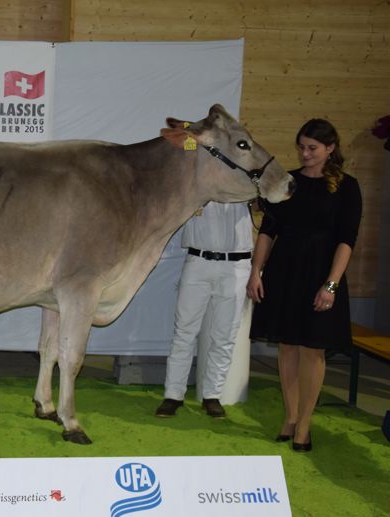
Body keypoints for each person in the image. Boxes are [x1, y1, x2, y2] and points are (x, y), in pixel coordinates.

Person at [248, 118, 362, 452]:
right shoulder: (288, 182)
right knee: (287, 346)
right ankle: (290, 416)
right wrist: (256, 271)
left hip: (321, 274)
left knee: (313, 349)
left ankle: (305, 424)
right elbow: (268, 230)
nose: (305, 153)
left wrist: (331, 285)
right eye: (301, 147)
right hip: (284, 271)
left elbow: (347, 241)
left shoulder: (347, 187)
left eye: (312, 148)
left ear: (330, 148)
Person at [155, 201, 253, 419]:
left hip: (236, 264)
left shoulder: (245, 183)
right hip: (198, 261)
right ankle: (173, 395)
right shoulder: (196, 180)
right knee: (184, 332)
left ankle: (212, 395)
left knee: (224, 335)